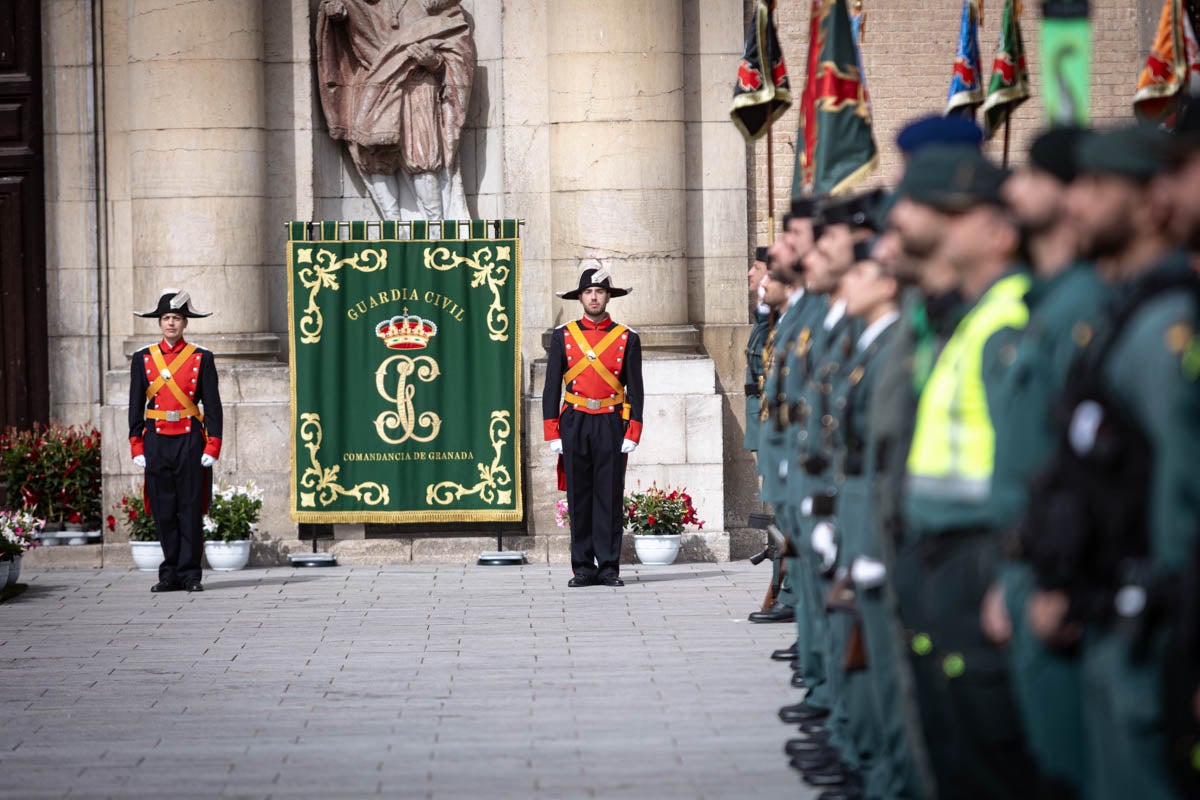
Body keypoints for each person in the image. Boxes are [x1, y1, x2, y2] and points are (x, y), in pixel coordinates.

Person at [316, 0, 475, 221]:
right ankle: (393, 226)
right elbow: (343, 15)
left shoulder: (432, 2)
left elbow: (458, 49)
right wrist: (336, 13)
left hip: (418, 83)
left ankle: (436, 227)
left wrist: (435, 62)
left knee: (423, 156)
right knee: (374, 154)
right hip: (374, 80)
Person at [542, 266, 644, 588]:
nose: (594, 297)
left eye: (600, 291)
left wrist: (633, 430)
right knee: (579, 496)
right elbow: (551, 387)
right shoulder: (563, 335)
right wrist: (552, 431)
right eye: (588, 292)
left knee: (609, 496)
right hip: (575, 420)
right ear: (580, 298)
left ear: (608, 296)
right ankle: (583, 567)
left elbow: (636, 389)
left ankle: (609, 567)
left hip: (611, 421)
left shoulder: (627, 337)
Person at [129, 290, 223, 593]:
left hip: (190, 439)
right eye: (167, 318)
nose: (171, 323)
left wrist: (213, 444)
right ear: (160, 322)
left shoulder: (202, 357)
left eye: (177, 318)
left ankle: (191, 574)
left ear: (185, 323)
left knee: (191, 508)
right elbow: (135, 405)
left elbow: (213, 405)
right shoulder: (143, 358)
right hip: (156, 439)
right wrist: (136, 443)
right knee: (164, 509)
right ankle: (169, 573)